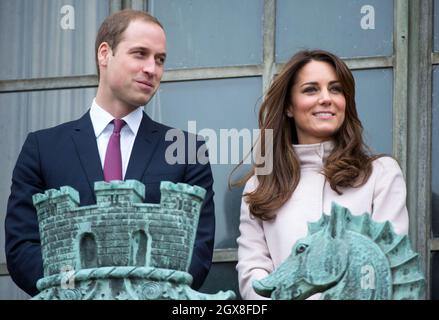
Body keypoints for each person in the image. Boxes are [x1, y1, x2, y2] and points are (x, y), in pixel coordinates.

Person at [5, 9, 215, 296]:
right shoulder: (42, 149)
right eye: (140, 54)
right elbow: (23, 248)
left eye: (160, 59)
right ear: (105, 54)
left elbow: (196, 251)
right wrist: (79, 288)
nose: (152, 69)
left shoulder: (187, 151)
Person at [235, 49, 409, 299]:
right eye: (311, 89)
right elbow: (254, 273)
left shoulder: (381, 174)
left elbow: (388, 266)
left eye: (336, 89)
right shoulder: (259, 185)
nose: (326, 98)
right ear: (288, 107)